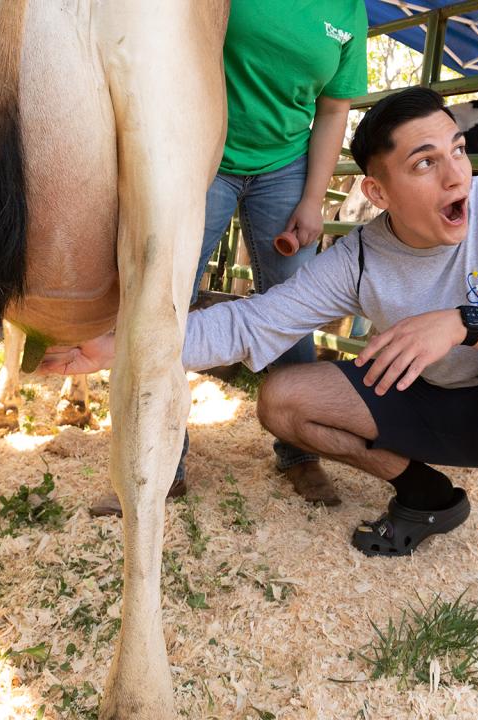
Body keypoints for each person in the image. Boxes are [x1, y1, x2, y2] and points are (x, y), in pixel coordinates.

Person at [42, 87, 478, 719]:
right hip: (417, 398)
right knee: (283, 399)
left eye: (458, 150)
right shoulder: (360, 256)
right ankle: (427, 495)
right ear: (378, 192)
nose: (457, 175)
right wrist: (122, 346)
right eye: (425, 163)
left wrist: (465, 322)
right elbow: (254, 323)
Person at [90, 1, 368, 516]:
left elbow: (332, 110)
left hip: (285, 163)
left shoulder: (350, 12)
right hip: (198, 150)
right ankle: (157, 463)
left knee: (293, 307)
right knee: (163, 300)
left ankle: (301, 450)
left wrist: (313, 200)